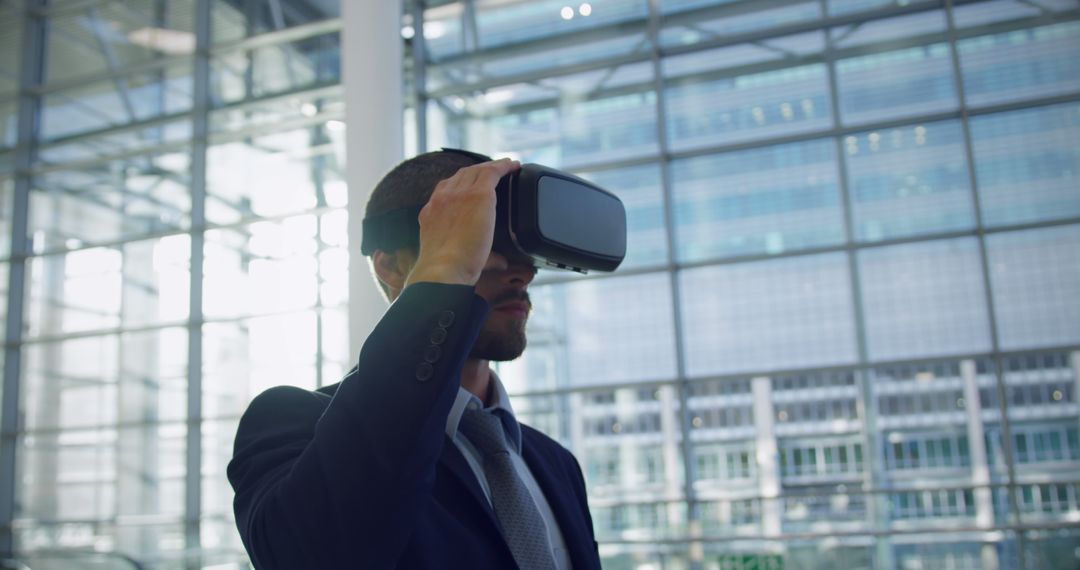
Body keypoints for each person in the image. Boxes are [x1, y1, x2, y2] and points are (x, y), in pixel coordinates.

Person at [227, 150, 602, 569]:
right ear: (391, 266)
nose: (523, 273)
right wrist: (448, 271)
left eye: (525, 254)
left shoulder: (555, 462)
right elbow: (320, 556)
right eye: (486, 243)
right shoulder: (293, 423)